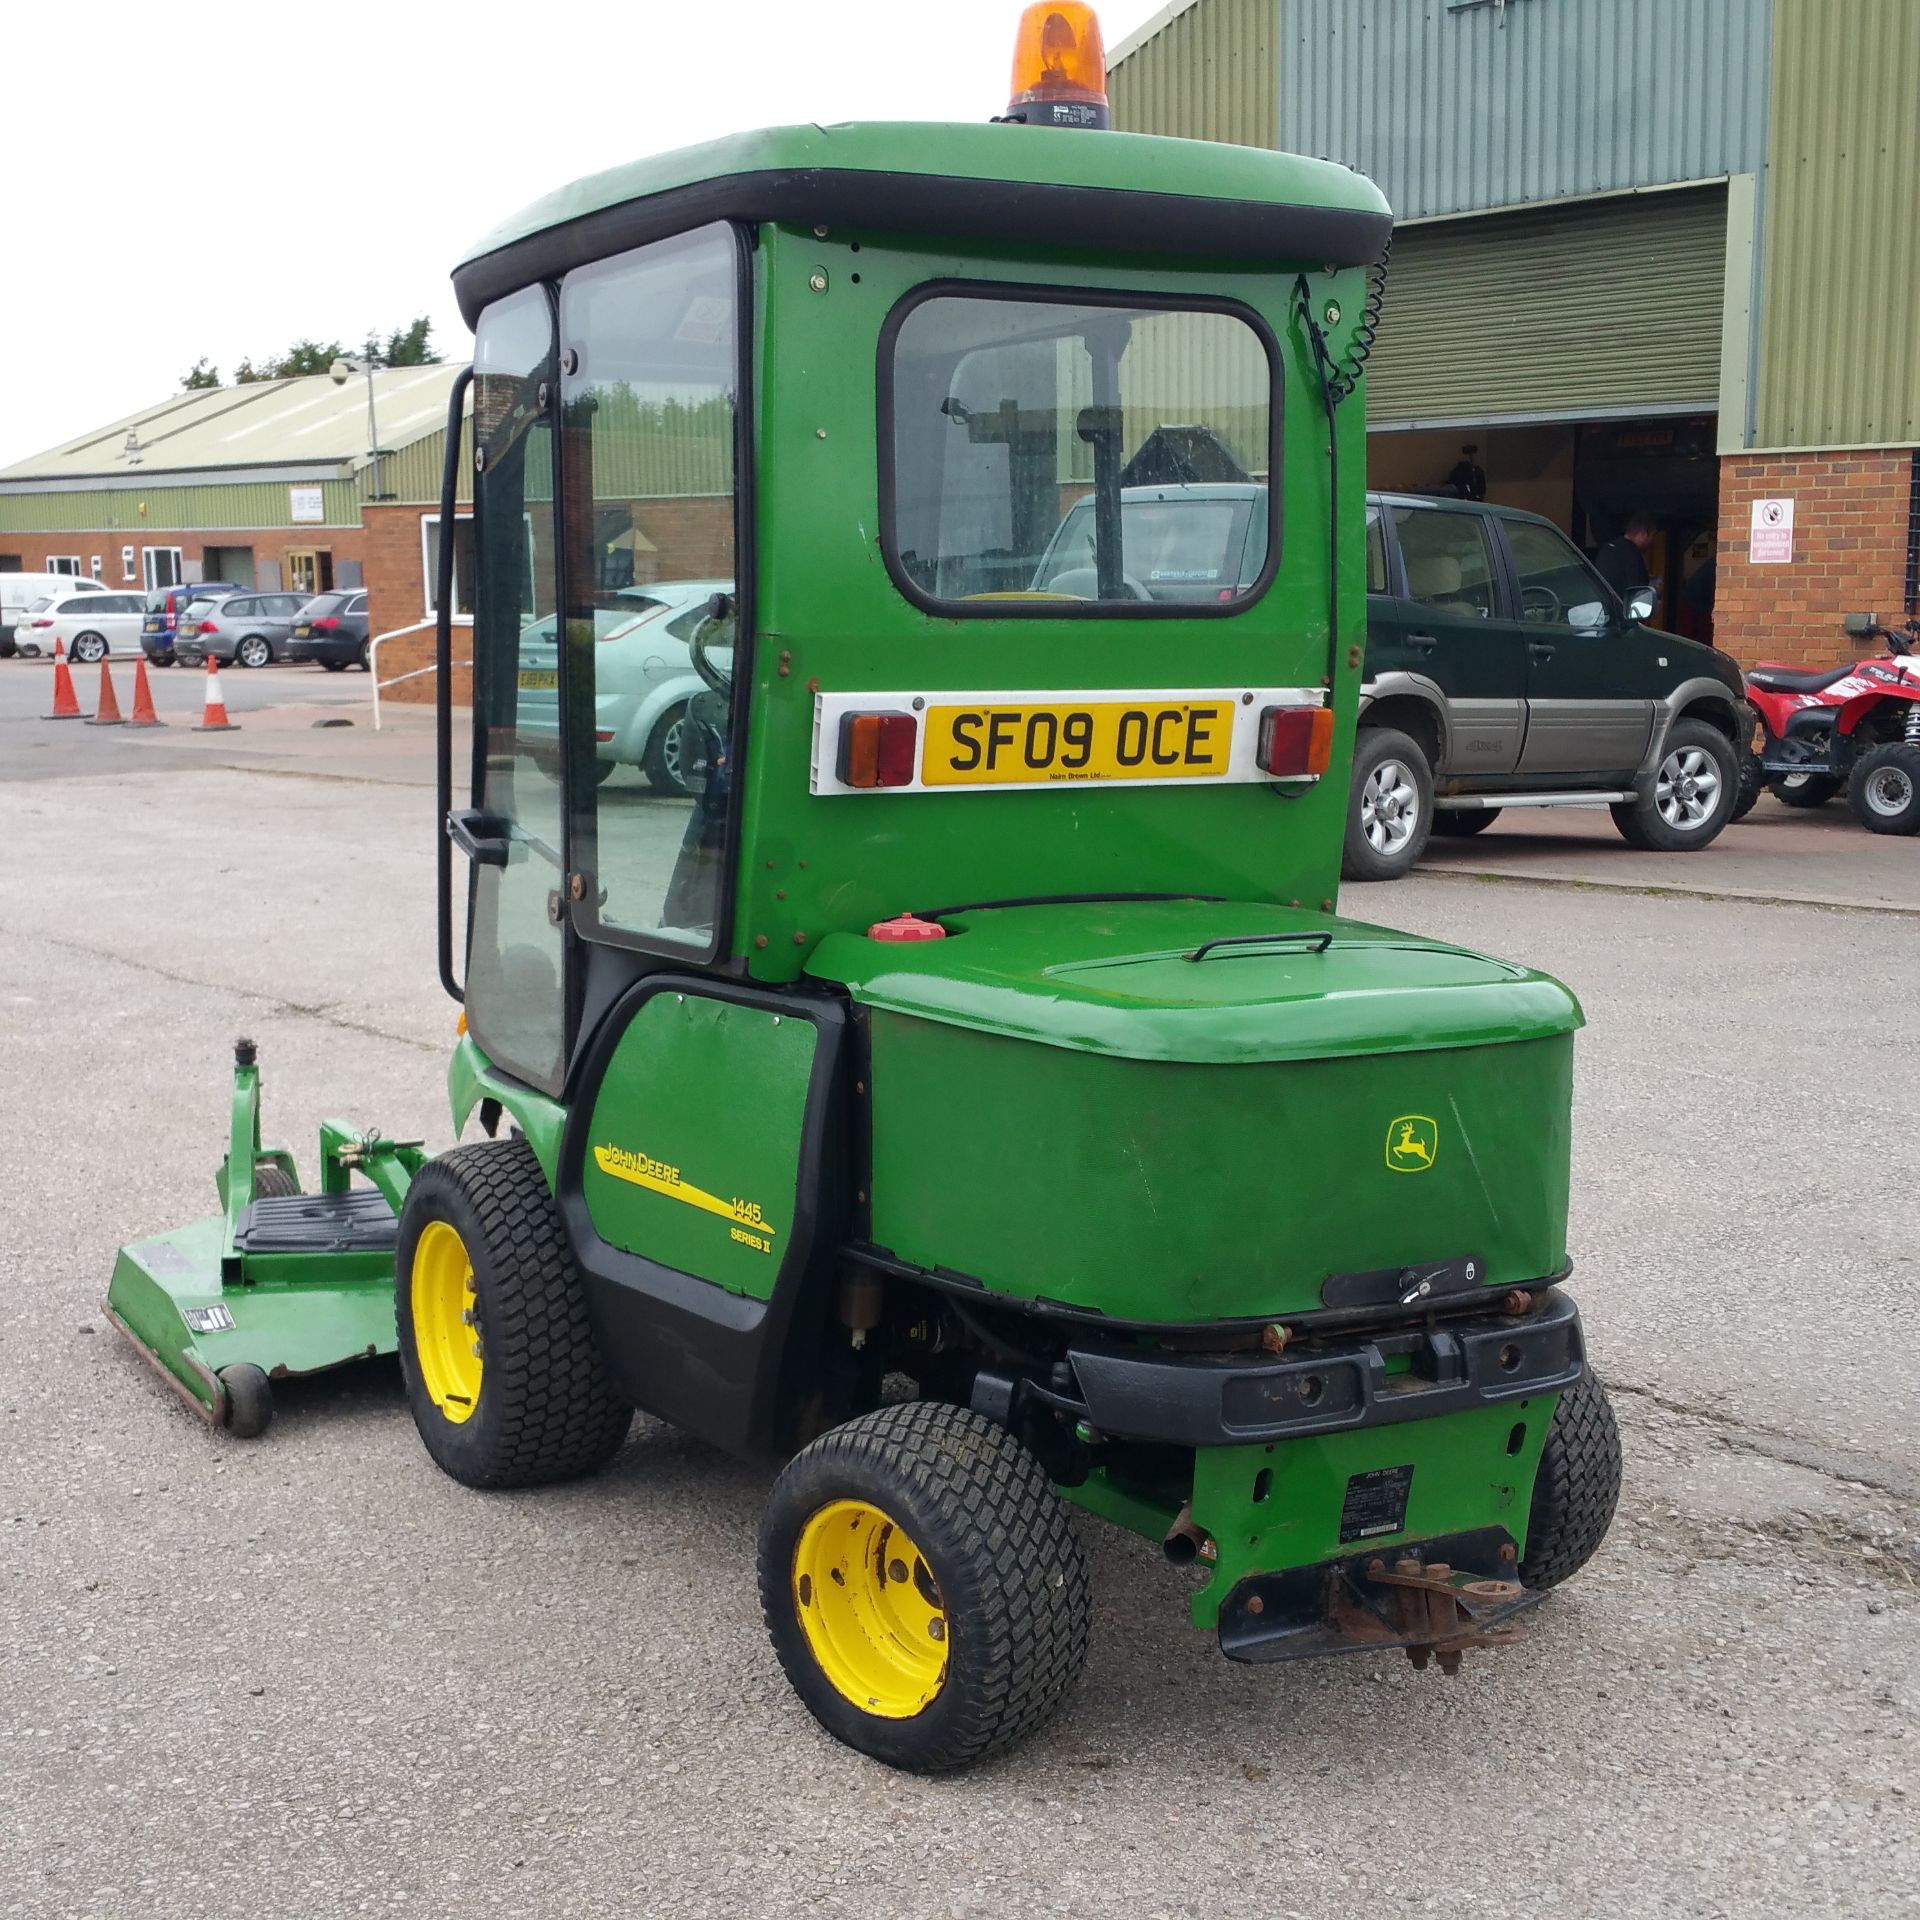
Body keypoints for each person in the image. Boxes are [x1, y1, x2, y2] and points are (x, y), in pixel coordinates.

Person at [1595, 511, 1657, 600]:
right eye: (1652, 535)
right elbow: (1637, 594)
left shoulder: (1607, 549)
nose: (1652, 540)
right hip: (1620, 610)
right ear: (1643, 534)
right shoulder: (1633, 555)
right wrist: (1655, 590)